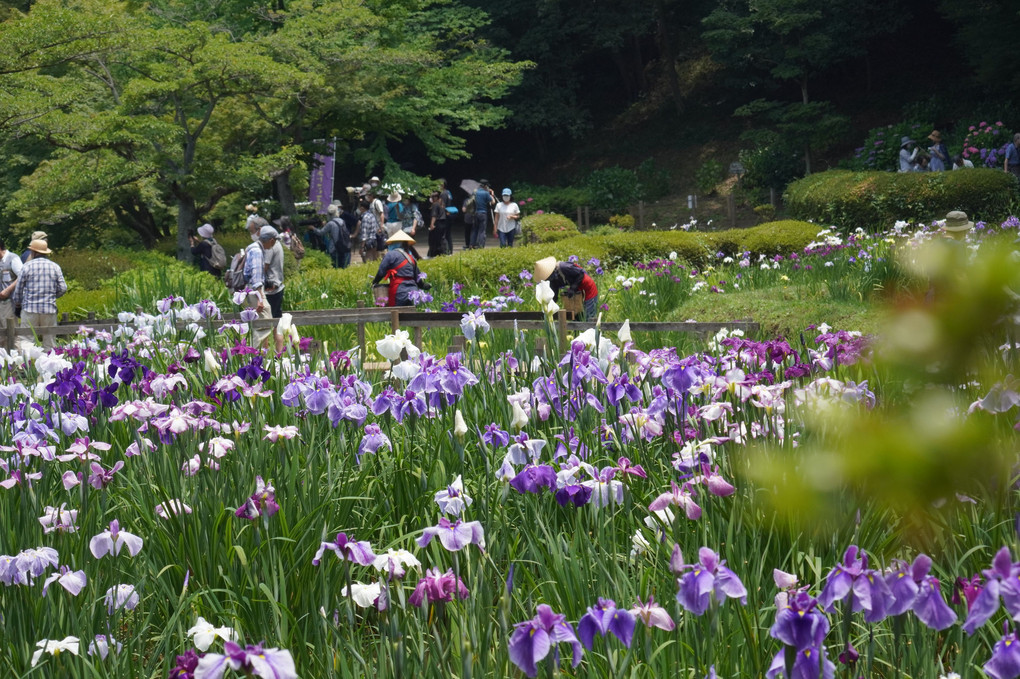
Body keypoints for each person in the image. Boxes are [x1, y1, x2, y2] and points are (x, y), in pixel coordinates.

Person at [5, 239, 66, 352]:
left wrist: (18, 305)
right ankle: (50, 368)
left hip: (29, 309)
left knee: (27, 342)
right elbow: (63, 288)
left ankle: (28, 368)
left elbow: (18, 290)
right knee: (50, 343)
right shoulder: (55, 266)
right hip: (49, 309)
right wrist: (52, 296)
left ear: (33, 252)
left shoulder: (26, 266)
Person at [534, 256, 599, 321]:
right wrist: (550, 305)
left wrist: (573, 288)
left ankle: (592, 329)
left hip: (588, 288)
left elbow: (580, 274)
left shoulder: (564, 267)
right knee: (576, 316)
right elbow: (554, 291)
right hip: (578, 293)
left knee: (589, 315)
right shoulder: (553, 278)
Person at [371, 231, 424, 307]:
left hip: (399, 291)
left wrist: (375, 282)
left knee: (396, 315)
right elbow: (418, 279)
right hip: (413, 291)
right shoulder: (412, 258)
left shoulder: (390, 255)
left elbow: (381, 272)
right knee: (412, 315)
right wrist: (424, 285)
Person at [0, 238, 23, 325]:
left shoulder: (13, 258)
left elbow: (22, 276)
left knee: (9, 328)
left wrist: (8, 290)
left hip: (9, 301)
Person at [472, 180, 495, 248]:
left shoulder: (475, 192)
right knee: (482, 230)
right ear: (485, 186)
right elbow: (493, 202)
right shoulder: (486, 193)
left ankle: (472, 244)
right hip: (483, 213)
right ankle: (481, 245)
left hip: (476, 213)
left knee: (475, 229)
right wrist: (492, 194)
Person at [427, 191, 447, 258]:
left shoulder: (435, 204)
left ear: (435, 197)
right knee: (441, 238)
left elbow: (434, 215)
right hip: (443, 223)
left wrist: (432, 224)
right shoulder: (441, 203)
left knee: (434, 239)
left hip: (437, 223)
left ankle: (435, 253)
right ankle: (443, 252)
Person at [439, 179, 455, 254]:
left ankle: (445, 251)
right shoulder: (449, 192)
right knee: (448, 234)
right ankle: (450, 250)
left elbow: (443, 205)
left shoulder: (443, 194)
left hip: (445, 216)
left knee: (444, 235)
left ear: (442, 185)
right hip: (450, 214)